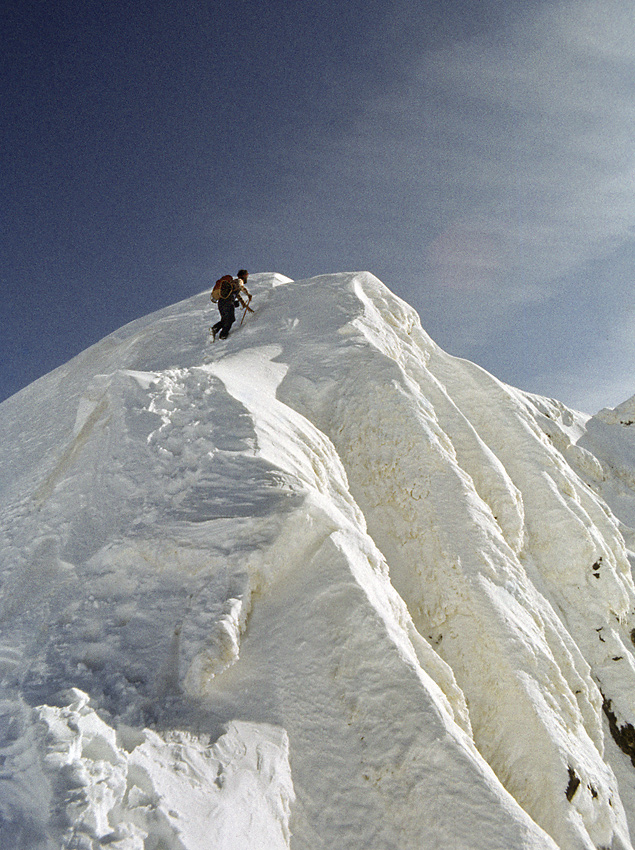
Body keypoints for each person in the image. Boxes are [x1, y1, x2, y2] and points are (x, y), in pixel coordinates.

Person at [211, 270, 254, 341]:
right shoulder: (239, 281)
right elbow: (241, 286)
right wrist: (248, 294)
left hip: (221, 302)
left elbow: (238, 296)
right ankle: (223, 335)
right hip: (228, 302)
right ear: (244, 276)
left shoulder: (232, 285)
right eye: (247, 276)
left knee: (225, 319)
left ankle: (215, 329)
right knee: (231, 319)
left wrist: (245, 305)